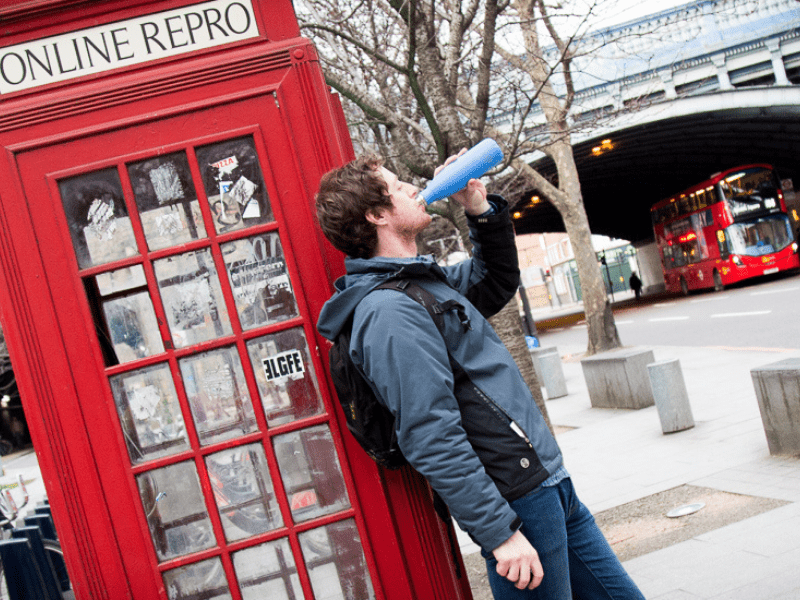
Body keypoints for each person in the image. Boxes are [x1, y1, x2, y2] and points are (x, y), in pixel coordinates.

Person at [315, 151, 645, 600]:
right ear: (377, 215)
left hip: (546, 482)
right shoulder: (388, 311)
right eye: (398, 187)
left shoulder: (422, 282)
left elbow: (494, 280)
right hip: (516, 499)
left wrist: (479, 209)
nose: (415, 188)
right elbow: (430, 433)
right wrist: (498, 534)